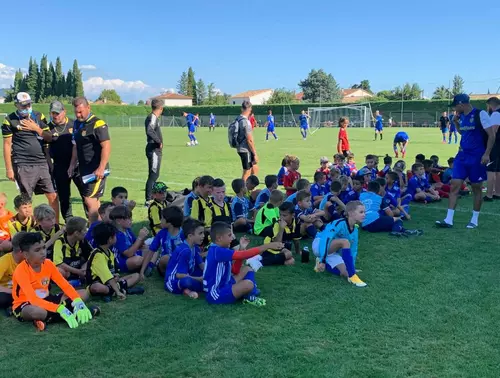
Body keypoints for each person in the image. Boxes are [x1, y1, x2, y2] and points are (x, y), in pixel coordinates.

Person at [12, 232, 95, 331]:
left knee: (83, 293)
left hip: (46, 298)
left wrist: (78, 301)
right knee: (36, 312)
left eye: (43, 247)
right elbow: (33, 299)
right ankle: (67, 313)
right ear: (26, 254)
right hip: (26, 303)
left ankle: (49, 318)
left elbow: (65, 285)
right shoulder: (21, 270)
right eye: (37, 250)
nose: (43, 252)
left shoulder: (48, 264)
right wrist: (59, 308)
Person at [436, 94, 494, 229]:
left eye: (455, 106)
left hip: (477, 157)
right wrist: (456, 123)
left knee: (476, 188)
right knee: (454, 185)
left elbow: (492, 135)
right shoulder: (461, 116)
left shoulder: (481, 114)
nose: (455, 109)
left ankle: (474, 219)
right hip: (462, 156)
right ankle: (448, 219)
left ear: (461, 104)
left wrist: (486, 154)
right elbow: (464, 132)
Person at [2, 92, 59, 218]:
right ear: (16, 105)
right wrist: (9, 169)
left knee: (53, 196)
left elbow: (49, 137)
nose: (27, 107)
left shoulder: (39, 116)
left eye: (28, 104)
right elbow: (7, 145)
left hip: (42, 162)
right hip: (23, 164)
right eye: (23, 106)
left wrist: (35, 128)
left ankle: (55, 226)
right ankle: (28, 229)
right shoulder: (9, 120)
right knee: (26, 201)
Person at [203, 221, 283, 306]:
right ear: (219, 238)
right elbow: (244, 255)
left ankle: (249, 292)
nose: (233, 238)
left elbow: (235, 270)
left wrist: (241, 248)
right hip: (216, 293)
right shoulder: (218, 251)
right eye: (229, 235)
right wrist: (267, 246)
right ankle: (250, 295)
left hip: (226, 284)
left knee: (247, 269)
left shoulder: (220, 249)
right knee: (248, 284)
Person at [68, 97, 111, 219]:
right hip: (84, 169)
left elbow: (106, 146)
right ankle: (101, 227)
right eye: (76, 112)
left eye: (81, 111)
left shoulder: (98, 124)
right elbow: (75, 146)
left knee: (89, 200)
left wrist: (101, 167)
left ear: (88, 107)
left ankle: (94, 228)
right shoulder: (76, 124)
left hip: (96, 170)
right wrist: (72, 165)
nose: (78, 114)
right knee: (95, 202)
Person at [313, 201, 367, 287]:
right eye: (361, 212)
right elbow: (326, 239)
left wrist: (351, 266)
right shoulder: (339, 223)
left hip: (332, 252)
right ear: (350, 213)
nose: (364, 214)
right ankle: (353, 276)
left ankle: (321, 262)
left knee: (345, 273)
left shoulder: (355, 230)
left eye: (364, 212)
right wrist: (323, 258)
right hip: (320, 245)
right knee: (345, 242)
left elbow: (353, 250)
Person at [47, 101, 85, 221]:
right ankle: (69, 221)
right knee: (64, 197)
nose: (55, 116)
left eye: (58, 113)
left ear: (64, 112)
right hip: (60, 167)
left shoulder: (75, 124)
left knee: (85, 194)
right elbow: (46, 150)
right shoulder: (48, 128)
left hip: (77, 166)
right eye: (53, 113)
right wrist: (51, 166)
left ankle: (91, 219)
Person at [86, 222, 144, 301]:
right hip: (98, 282)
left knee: (136, 276)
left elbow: (112, 271)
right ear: (110, 239)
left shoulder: (109, 252)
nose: (116, 237)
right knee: (97, 287)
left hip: (111, 282)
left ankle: (111, 292)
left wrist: (116, 275)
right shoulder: (98, 255)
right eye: (115, 236)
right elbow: (107, 276)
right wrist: (117, 292)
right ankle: (119, 291)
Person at [164, 219, 205, 299]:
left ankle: (190, 290)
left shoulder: (195, 247)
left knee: (207, 275)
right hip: (174, 281)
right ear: (190, 236)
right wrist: (200, 279)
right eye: (200, 233)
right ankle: (186, 290)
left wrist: (211, 272)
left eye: (203, 233)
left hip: (188, 274)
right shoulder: (184, 251)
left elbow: (202, 265)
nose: (203, 236)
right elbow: (180, 275)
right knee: (187, 282)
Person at [53, 217, 92, 286]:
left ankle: (76, 280)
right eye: (84, 229)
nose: (86, 231)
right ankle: (70, 281)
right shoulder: (60, 241)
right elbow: (58, 263)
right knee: (59, 270)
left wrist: (84, 268)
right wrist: (78, 272)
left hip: (79, 268)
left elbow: (92, 255)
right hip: (68, 270)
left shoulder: (82, 240)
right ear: (76, 233)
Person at [110, 206, 148, 273]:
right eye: (129, 219)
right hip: (121, 261)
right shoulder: (117, 235)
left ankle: (148, 267)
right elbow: (128, 254)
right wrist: (139, 238)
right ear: (118, 221)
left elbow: (138, 245)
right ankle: (145, 265)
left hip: (132, 255)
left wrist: (142, 239)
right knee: (138, 260)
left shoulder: (128, 230)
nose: (131, 220)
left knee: (152, 250)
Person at [258, 202, 297, 266]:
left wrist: (298, 251)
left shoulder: (295, 222)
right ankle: (260, 262)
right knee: (288, 254)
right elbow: (277, 245)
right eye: (280, 214)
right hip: (270, 247)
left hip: (282, 248)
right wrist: (281, 228)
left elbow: (296, 238)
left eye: (284, 215)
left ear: (293, 215)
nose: (281, 218)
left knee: (291, 261)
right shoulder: (277, 224)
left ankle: (267, 260)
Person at [0, 232, 26, 313]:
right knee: (2, 299)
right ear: (21, 251)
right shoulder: (4, 261)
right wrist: (13, 291)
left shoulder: (29, 259)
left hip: (23, 289)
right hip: (7, 291)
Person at [144, 98, 164, 204]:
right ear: (161, 108)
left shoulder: (154, 118)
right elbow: (149, 130)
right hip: (154, 149)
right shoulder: (152, 117)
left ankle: (152, 197)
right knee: (153, 174)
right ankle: (149, 199)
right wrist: (158, 141)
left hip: (155, 149)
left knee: (154, 174)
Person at [235, 101, 259, 180]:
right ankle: (242, 190)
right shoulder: (246, 122)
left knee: (254, 166)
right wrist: (255, 153)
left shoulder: (238, 119)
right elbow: (249, 140)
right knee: (247, 171)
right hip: (245, 149)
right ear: (250, 109)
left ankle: (250, 187)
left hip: (240, 148)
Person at [483, 97, 500, 201]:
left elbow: (493, 132)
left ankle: (489, 195)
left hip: (495, 145)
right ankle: (497, 193)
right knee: (498, 170)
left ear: (490, 105)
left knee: (491, 170)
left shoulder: (496, 114)